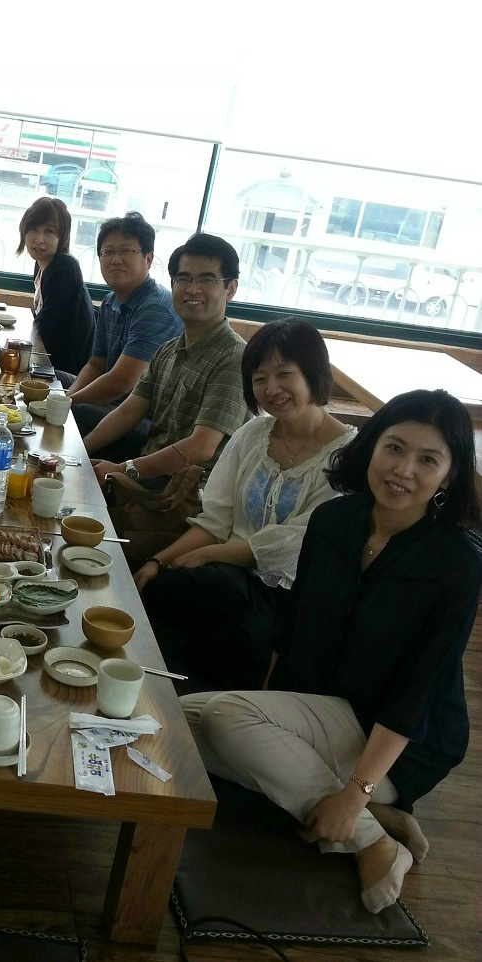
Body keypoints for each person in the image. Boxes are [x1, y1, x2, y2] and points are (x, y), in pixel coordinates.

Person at [182, 389, 482, 915]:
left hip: (398, 741)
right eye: (394, 448)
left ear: (450, 475)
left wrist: (357, 791)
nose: (403, 470)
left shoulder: (457, 564)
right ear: (372, 445)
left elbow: (416, 691)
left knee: (226, 717)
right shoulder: (334, 521)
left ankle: (370, 838)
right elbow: (293, 630)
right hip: (323, 708)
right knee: (178, 721)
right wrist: (269, 718)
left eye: (428, 459)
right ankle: (363, 810)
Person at [136, 319, 355, 690]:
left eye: (284, 374)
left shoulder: (347, 457)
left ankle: (182, 699)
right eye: (259, 378)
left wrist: (211, 556)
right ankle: (158, 691)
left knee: (203, 599)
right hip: (224, 578)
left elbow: (298, 544)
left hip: (287, 592)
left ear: (314, 372)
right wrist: (158, 561)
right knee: (158, 586)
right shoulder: (253, 434)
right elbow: (214, 521)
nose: (271, 389)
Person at [88, 232, 250, 476]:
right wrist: (79, 452)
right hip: (148, 468)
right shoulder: (168, 350)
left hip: (185, 488)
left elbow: (202, 447)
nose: (192, 289)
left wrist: (122, 471)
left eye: (206, 279)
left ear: (231, 289)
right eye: (183, 278)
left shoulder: (234, 359)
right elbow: (128, 412)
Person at [67, 211, 182, 446]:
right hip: (114, 403)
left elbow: (122, 382)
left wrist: (66, 404)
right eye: (108, 252)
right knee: (51, 379)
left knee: (73, 414)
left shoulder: (156, 307)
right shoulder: (110, 301)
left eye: (126, 251)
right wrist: (66, 397)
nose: (115, 260)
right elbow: (96, 365)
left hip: (144, 420)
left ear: (148, 258)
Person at [16, 196, 95, 381]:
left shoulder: (64, 267)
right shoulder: (42, 265)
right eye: (33, 229)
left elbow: (46, 326)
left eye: (49, 231)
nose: (39, 239)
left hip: (68, 373)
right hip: (48, 362)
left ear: (62, 236)